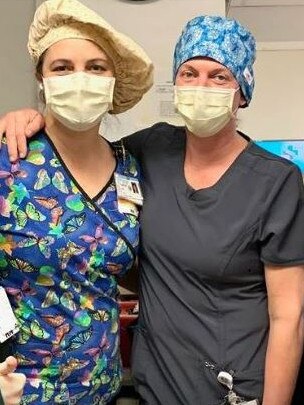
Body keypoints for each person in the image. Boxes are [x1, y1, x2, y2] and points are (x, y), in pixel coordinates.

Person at [1, 14, 304, 405]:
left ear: (242, 91)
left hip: (226, 386)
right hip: (92, 387)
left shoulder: (272, 179)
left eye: (220, 76)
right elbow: (73, 142)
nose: (202, 87)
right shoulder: (147, 151)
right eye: (189, 73)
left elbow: (289, 316)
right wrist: (28, 117)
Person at [0, 0, 153, 403]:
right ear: (42, 77)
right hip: (21, 388)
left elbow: (125, 267)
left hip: (104, 387)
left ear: (112, 81)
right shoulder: (9, 162)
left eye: (96, 68)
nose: (79, 79)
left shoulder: (129, 167)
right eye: (62, 67)